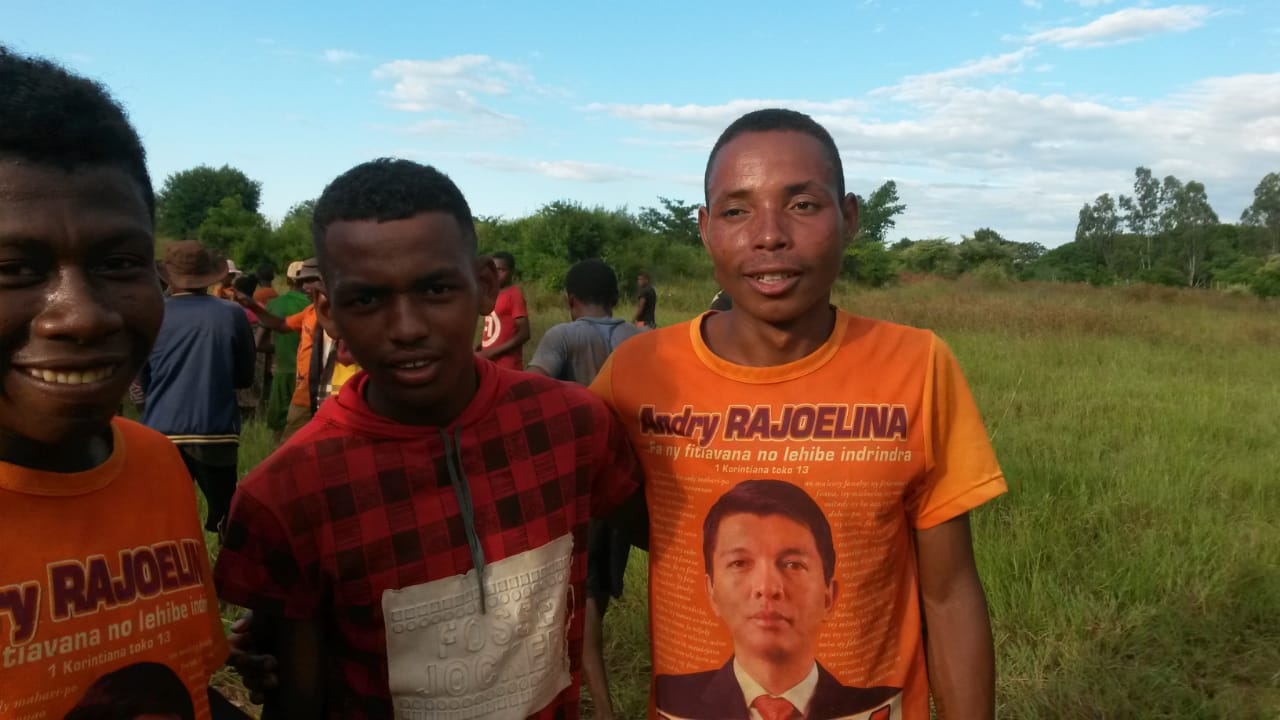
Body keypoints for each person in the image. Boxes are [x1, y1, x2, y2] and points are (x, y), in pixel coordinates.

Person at [590, 109, 1006, 719]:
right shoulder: (635, 374)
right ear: (705, 228)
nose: (769, 236)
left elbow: (949, 594)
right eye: (737, 211)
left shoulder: (917, 367)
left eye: (803, 205)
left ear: (849, 217)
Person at [213, 158, 645, 719]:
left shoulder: (571, 425)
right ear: (329, 314)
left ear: (485, 286)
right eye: (367, 300)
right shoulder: (286, 495)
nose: (408, 327)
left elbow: (682, 543)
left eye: (436, 289)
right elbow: (298, 700)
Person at [0, 45, 236, 719]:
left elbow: (185, 685)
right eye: (12, 268)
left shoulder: (155, 465)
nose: (81, 315)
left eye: (119, 262)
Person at [656, 480, 899, 720]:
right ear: (712, 591)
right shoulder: (673, 700)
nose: (767, 588)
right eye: (739, 563)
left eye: (793, 564)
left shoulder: (879, 706)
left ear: (828, 596)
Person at [525, 258, 645, 719]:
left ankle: (605, 710)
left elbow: (533, 389)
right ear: (615, 297)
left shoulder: (563, 336)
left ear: (570, 299)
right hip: (632, 482)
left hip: (583, 483)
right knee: (600, 590)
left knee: (587, 596)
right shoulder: (639, 339)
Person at [142, 240, 255, 532]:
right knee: (226, 517)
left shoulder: (152, 314)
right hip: (215, 430)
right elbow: (245, 377)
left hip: (159, 432)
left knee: (162, 521)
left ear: (168, 276)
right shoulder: (232, 314)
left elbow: (143, 379)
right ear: (209, 276)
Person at [261, 260, 313, 440]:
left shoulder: (274, 304)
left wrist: (280, 350)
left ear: (288, 280)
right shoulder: (314, 306)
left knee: (280, 430)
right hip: (308, 377)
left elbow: (259, 343)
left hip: (282, 373)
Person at [477, 250, 530, 369]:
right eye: (493, 270)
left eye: (501, 270)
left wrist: (491, 352)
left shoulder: (514, 295)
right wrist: (482, 347)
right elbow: (497, 331)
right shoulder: (492, 295)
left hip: (507, 365)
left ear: (512, 272)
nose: (496, 274)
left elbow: (524, 334)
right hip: (490, 362)